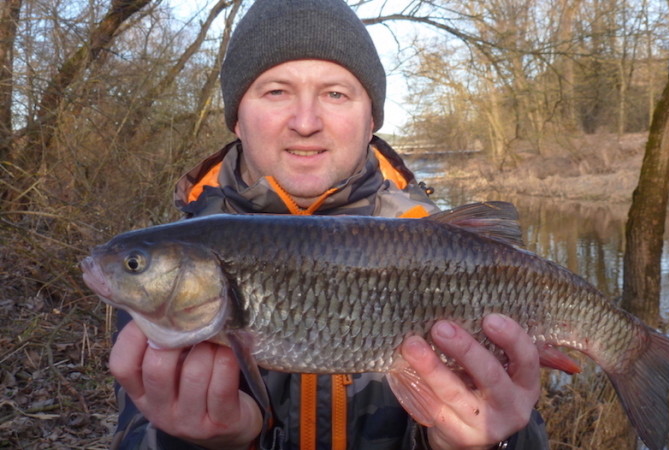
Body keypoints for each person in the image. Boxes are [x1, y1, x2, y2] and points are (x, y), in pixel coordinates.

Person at [108, 0, 548, 448]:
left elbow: (520, 427)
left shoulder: (441, 242)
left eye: (335, 94)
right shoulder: (175, 266)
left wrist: (486, 442)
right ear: (237, 118)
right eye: (276, 92)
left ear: (371, 119)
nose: (305, 123)